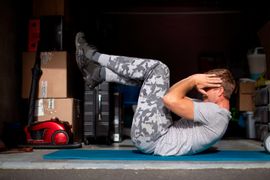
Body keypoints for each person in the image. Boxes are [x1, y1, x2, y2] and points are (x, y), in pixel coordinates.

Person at [75, 32, 236, 156]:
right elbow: (168, 93)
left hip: (153, 139)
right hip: (154, 135)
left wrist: (194, 80)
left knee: (159, 69)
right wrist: (192, 80)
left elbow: (168, 99)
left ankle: (93, 56)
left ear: (219, 90)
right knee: (152, 81)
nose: (202, 91)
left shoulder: (216, 113)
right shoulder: (212, 112)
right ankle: (99, 74)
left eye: (207, 87)